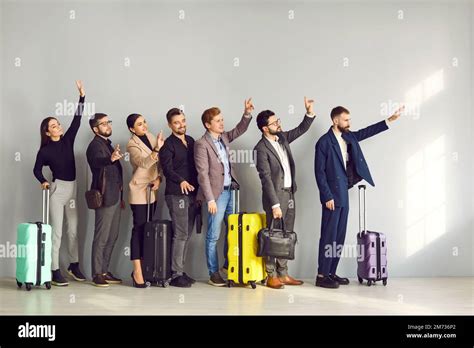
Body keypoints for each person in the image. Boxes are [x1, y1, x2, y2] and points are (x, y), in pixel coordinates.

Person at [314, 105, 404, 289]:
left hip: (343, 194)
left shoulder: (348, 136)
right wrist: (326, 196)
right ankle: (321, 275)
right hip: (331, 197)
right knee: (328, 236)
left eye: (349, 120)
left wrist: (389, 120)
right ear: (335, 121)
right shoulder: (323, 142)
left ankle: (331, 272)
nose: (349, 123)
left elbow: (366, 132)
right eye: (346, 120)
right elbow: (319, 173)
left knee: (339, 237)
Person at [254, 97, 316, 289]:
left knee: (286, 235)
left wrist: (309, 113)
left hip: (290, 195)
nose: (278, 124)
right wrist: (274, 205)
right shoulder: (260, 149)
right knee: (273, 236)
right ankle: (270, 275)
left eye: (277, 120)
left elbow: (300, 129)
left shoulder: (282, 138)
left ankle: (283, 273)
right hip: (276, 198)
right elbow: (265, 179)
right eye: (274, 122)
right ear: (265, 128)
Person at [194, 99, 254, 286]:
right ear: (207, 124)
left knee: (233, 232)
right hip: (216, 196)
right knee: (213, 235)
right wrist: (210, 199)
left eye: (222, 119)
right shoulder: (201, 144)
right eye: (218, 120)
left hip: (232, 192)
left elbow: (239, 129)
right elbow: (202, 174)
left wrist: (246, 113)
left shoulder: (224, 138)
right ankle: (213, 273)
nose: (222, 123)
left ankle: (229, 267)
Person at [33, 81, 86, 287]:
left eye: (58, 123)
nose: (58, 127)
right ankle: (54, 270)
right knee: (57, 232)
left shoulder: (67, 141)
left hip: (73, 188)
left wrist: (82, 97)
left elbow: (77, 120)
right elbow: (36, 170)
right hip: (58, 191)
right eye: (53, 126)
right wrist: (43, 181)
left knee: (73, 230)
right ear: (47, 132)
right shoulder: (45, 151)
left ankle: (74, 265)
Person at [159, 108, 199, 288]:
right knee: (181, 234)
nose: (181, 124)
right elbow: (167, 169)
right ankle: (176, 274)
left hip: (192, 194)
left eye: (183, 121)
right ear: (170, 125)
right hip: (177, 194)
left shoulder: (191, 141)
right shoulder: (168, 145)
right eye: (176, 122)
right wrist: (181, 180)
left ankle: (180, 270)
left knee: (187, 234)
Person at [86, 113, 125, 287]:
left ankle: (104, 270)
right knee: (101, 237)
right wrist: (110, 158)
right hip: (104, 196)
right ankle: (96, 274)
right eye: (103, 124)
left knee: (112, 236)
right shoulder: (95, 145)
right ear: (95, 129)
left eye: (109, 122)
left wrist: (121, 195)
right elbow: (96, 162)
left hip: (115, 196)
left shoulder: (107, 144)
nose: (108, 125)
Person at [126, 113, 164, 288]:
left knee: (148, 231)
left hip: (152, 190)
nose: (144, 126)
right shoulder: (131, 144)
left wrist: (159, 179)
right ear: (132, 129)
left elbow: (158, 165)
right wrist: (157, 149)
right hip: (139, 190)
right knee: (139, 230)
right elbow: (143, 163)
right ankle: (137, 272)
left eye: (144, 122)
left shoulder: (150, 136)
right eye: (139, 124)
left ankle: (147, 268)